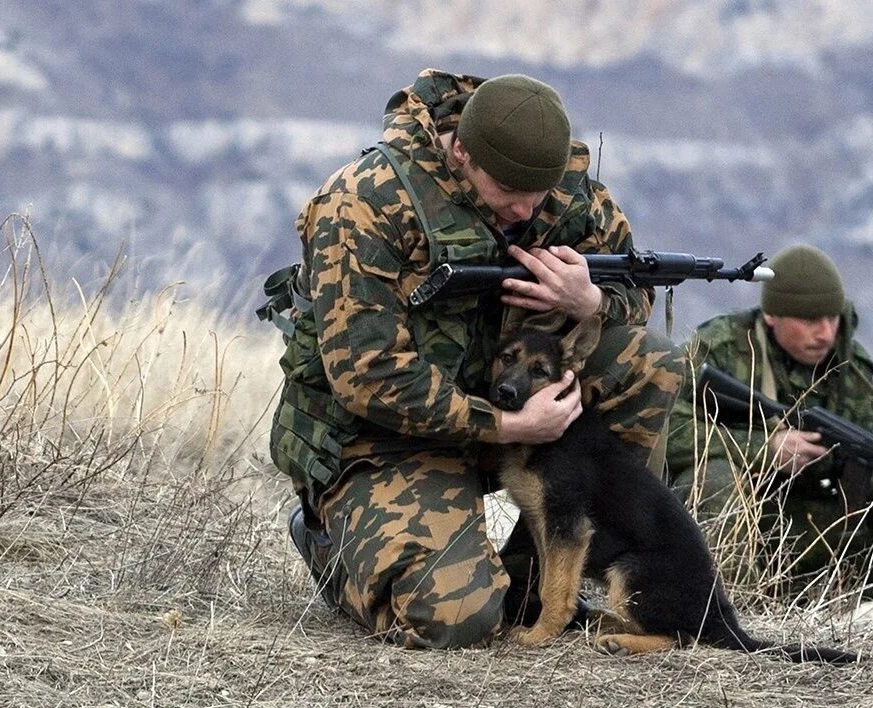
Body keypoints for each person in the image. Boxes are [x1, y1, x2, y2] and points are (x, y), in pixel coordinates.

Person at [264, 70, 682, 648]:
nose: (525, 209)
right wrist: (507, 425)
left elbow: (632, 289)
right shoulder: (366, 202)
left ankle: (535, 579)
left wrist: (589, 301)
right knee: (453, 618)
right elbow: (366, 377)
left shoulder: (559, 184)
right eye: (508, 193)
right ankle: (333, 544)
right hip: (385, 437)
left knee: (649, 360)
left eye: (537, 195)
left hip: (514, 415)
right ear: (460, 150)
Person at [666, 244, 873, 602]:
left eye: (832, 318)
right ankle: (730, 612)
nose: (824, 333)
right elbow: (663, 431)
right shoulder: (722, 348)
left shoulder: (848, 366)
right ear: (772, 316)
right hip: (727, 511)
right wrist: (766, 448)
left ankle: (792, 615)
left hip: (796, 518)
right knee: (715, 480)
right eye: (809, 320)